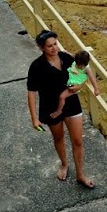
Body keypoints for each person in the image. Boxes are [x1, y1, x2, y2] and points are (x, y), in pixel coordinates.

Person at [27, 30, 95, 189]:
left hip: (71, 103)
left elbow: (83, 71)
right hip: (50, 107)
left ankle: (80, 174)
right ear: (41, 48)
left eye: (55, 44)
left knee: (78, 141)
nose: (53, 48)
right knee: (58, 138)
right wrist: (34, 118)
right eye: (49, 46)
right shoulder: (36, 66)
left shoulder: (66, 57)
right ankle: (64, 164)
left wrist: (79, 85)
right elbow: (31, 92)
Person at [49, 50, 100, 119]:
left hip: (75, 83)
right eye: (77, 64)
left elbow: (92, 79)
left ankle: (59, 111)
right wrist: (67, 52)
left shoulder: (87, 69)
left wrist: (96, 89)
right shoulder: (76, 60)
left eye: (81, 65)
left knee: (62, 96)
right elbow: (72, 55)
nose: (78, 66)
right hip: (69, 77)